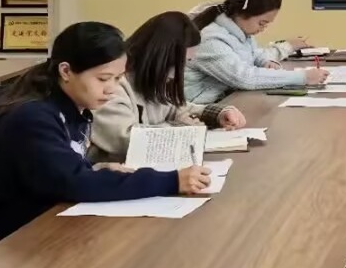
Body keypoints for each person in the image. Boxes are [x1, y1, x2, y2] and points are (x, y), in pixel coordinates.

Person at [0, 21, 211, 254]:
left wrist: (92, 167)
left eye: (118, 79)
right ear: (66, 71)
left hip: (45, 222)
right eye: (103, 79)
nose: (111, 89)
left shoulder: (73, 108)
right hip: (4, 244)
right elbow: (75, 183)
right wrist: (171, 180)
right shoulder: (34, 117)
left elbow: (60, 169)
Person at [92, 11, 250, 159]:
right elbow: (125, 140)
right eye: (178, 64)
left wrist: (217, 114)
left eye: (187, 62)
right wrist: (179, 128)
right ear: (159, 57)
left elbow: (176, 109)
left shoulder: (154, 78)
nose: (180, 72)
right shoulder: (112, 83)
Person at [185, 0, 330, 102]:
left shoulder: (241, 31)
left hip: (227, 99)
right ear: (244, 13)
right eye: (262, 23)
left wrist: (265, 61)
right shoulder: (210, 39)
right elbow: (244, 77)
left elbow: (254, 54)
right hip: (198, 109)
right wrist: (303, 77)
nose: (263, 29)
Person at [191, 0, 307, 59]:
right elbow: (244, 73)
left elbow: (253, 56)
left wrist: (288, 47)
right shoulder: (210, 33)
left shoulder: (234, 24)